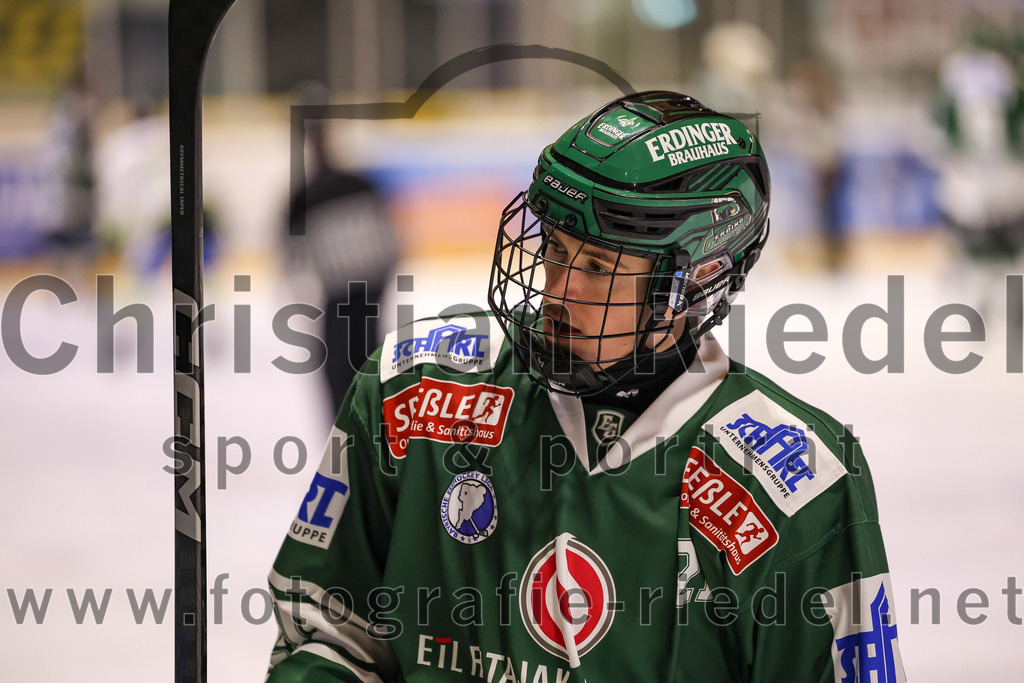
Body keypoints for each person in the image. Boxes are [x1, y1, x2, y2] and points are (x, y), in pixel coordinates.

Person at [266, 91, 907, 682]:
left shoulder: (794, 488)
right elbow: (328, 637)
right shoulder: (415, 393)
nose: (556, 289)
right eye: (554, 249)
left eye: (598, 267)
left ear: (692, 281)